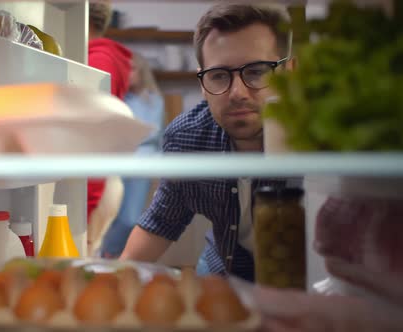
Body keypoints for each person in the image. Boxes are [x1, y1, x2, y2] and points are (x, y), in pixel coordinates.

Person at [120, 4, 300, 281]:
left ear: (289, 71)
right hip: (223, 268)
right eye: (219, 76)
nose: (237, 93)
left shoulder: (316, 138)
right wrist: (111, 282)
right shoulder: (188, 139)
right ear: (203, 84)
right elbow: (160, 223)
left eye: (256, 72)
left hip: (299, 278)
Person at [100, 53, 165, 258]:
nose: (128, 74)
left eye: (133, 69)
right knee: (109, 216)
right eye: (125, 69)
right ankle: (107, 258)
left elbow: (151, 133)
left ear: (142, 71)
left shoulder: (153, 101)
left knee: (129, 219)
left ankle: (110, 254)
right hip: (115, 164)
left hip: (141, 165)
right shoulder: (118, 98)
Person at [86, 1, 132, 221]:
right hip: (100, 181)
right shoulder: (103, 57)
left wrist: (87, 204)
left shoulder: (98, 60)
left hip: (95, 185)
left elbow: (96, 137)